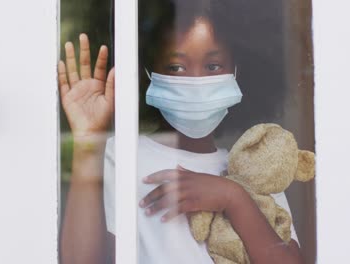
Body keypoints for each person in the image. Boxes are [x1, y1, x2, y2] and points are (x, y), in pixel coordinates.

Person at [58, 0, 305, 263]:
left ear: (236, 70)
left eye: (212, 66)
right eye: (176, 67)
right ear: (148, 73)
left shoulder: (256, 167)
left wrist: (233, 197)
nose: (196, 82)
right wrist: (86, 141)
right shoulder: (122, 155)